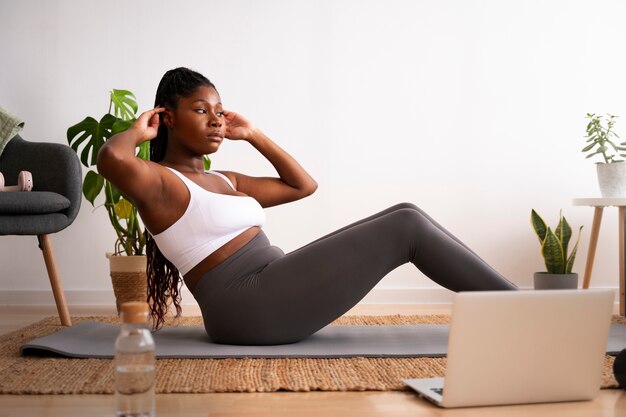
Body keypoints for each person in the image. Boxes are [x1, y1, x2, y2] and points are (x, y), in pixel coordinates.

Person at [97, 67, 517, 345]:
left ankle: (521, 307)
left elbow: (303, 186)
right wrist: (139, 130)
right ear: (167, 118)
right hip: (246, 306)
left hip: (271, 284)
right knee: (406, 226)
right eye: (201, 110)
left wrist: (255, 134)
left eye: (220, 112)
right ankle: (526, 310)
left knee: (405, 211)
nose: (216, 121)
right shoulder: (161, 184)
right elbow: (112, 159)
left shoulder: (225, 179)